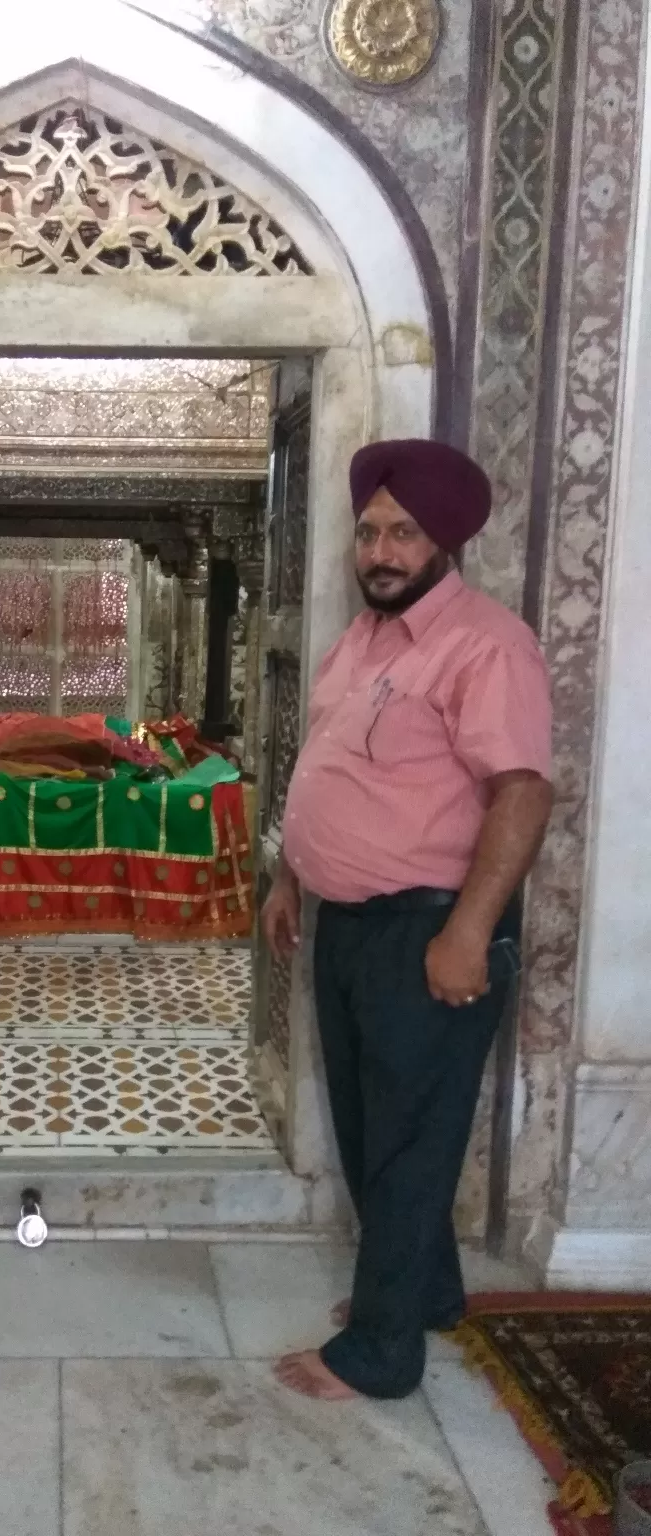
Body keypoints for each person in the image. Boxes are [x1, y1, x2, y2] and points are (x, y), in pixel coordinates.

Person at [261, 438, 552, 1402]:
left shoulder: (487, 645)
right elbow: (335, 775)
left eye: (404, 533)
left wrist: (467, 933)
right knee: (369, 1126)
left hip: (427, 929)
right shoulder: (366, 641)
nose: (380, 550)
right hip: (347, 925)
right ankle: (422, 1290)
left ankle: (381, 1354)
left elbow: (519, 794)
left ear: (446, 544)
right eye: (371, 531)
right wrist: (292, 879)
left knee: (409, 1141)